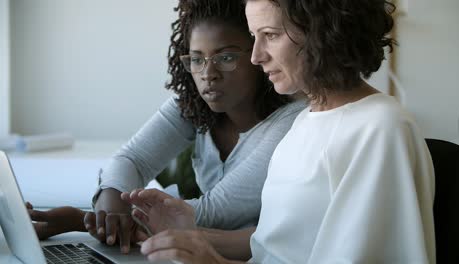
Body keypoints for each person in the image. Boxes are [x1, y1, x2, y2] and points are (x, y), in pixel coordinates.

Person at [123, 0, 437, 263]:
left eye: (270, 35)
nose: (256, 56)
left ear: (321, 32)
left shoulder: (379, 129)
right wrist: (188, 232)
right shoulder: (305, 122)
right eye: (253, 36)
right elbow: (273, 248)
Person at [27, 0, 305, 254]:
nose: (208, 74)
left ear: (258, 55)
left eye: (226, 58)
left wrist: (82, 219)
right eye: (196, 59)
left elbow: (215, 212)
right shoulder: (193, 105)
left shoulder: (293, 121)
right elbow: (131, 160)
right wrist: (109, 209)